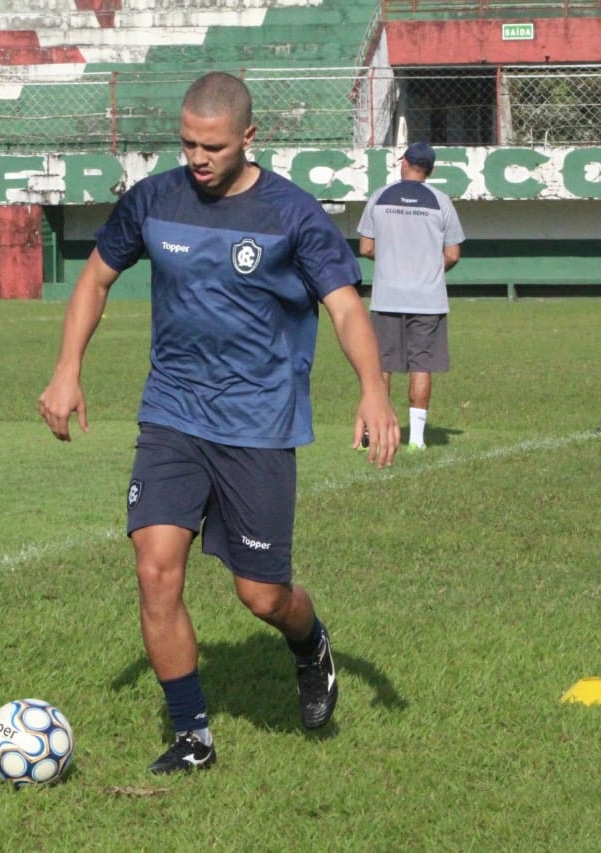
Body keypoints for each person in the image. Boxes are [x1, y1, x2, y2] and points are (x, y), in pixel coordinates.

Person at [38, 72, 399, 774]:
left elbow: (347, 306)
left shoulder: (292, 214)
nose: (197, 157)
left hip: (258, 424)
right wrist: (66, 368)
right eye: (186, 143)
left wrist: (373, 389)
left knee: (261, 594)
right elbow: (96, 277)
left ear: (248, 138)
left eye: (212, 145)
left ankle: (310, 643)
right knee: (154, 569)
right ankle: (192, 735)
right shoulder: (154, 199)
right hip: (172, 414)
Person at [356, 141, 464, 451]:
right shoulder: (441, 201)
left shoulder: (379, 197)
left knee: (382, 366)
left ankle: (375, 434)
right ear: (430, 170)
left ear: (404, 162)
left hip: (388, 295)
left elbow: (365, 248)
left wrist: (392, 260)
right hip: (428, 297)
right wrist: (429, 265)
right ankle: (416, 440)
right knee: (422, 365)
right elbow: (453, 254)